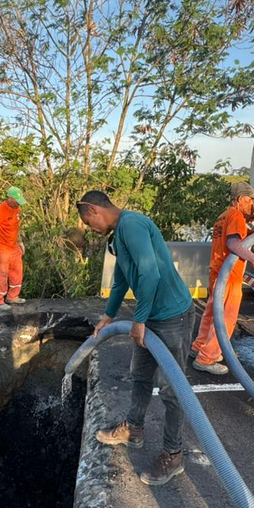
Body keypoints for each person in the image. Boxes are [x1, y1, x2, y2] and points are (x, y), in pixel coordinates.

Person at [76, 190, 194, 486]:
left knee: (171, 389)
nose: (91, 229)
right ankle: (134, 429)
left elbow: (150, 275)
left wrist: (139, 320)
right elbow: (121, 280)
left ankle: (174, 455)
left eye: (88, 222)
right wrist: (108, 315)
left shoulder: (132, 224)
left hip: (171, 317)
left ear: (94, 210)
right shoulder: (119, 235)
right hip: (151, 315)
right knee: (140, 375)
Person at [190, 182, 254, 374]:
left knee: (212, 313)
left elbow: (246, 238)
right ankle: (206, 359)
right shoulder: (236, 216)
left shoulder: (224, 216)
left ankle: (199, 347)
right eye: (251, 200)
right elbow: (233, 244)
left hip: (217, 272)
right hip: (229, 276)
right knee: (225, 318)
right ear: (241, 199)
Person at [0, 186, 27, 311]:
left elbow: (16, 227)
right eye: (16, 201)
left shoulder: (17, 209)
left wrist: (20, 242)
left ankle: (12, 297)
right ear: (9, 198)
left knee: (17, 272)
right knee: (3, 274)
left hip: (14, 246)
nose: (18, 204)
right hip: (2, 247)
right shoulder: (1, 210)